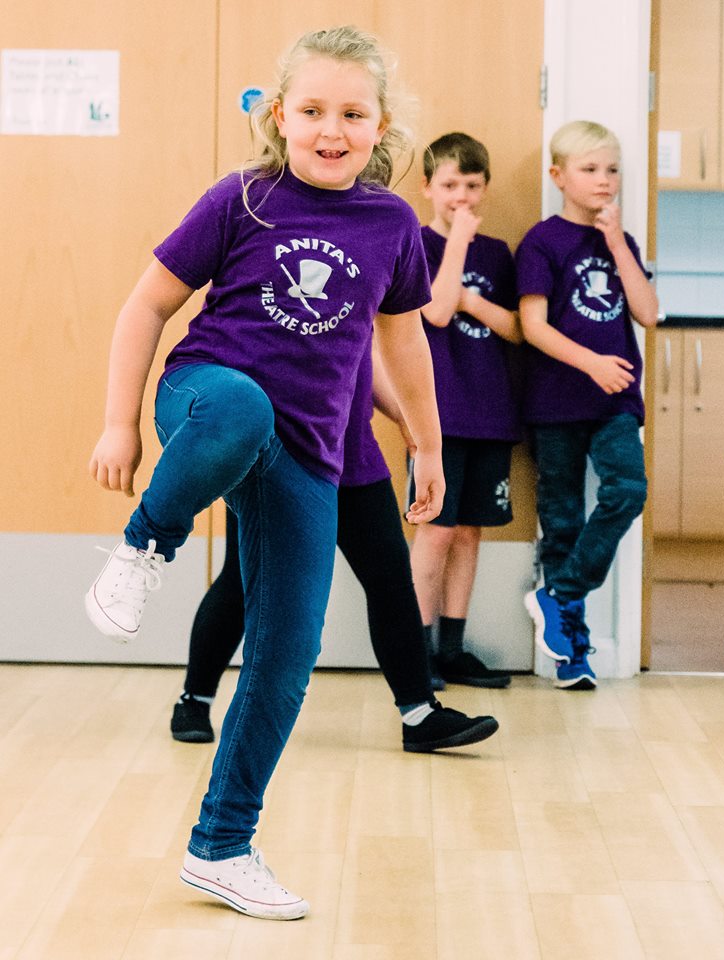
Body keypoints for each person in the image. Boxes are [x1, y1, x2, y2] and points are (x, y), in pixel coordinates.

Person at [84, 25, 445, 922]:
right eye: (314, 110)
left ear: (380, 125)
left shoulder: (392, 225)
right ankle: (141, 550)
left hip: (311, 452)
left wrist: (429, 446)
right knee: (241, 407)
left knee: (286, 657)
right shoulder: (241, 199)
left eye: (353, 114)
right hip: (205, 400)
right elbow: (146, 305)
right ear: (280, 116)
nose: (333, 129)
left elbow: (403, 345)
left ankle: (222, 847)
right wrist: (119, 424)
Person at [171, 340, 499, 753]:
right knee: (240, 582)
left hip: (352, 455)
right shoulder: (254, 278)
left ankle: (420, 715)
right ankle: (194, 700)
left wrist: (406, 415)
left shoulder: (364, 276)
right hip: (274, 458)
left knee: (391, 582)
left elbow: (369, 352)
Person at [516, 120, 657, 690]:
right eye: (591, 169)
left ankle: (559, 595)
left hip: (615, 403)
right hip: (555, 403)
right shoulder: (541, 241)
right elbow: (532, 327)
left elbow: (648, 313)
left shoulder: (620, 242)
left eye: (613, 169)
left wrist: (619, 242)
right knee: (563, 523)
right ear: (559, 177)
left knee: (628, 490)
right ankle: (571, 654)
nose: (605, 180)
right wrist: (592, 363)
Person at [408, 132, 522, 688]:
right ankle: (417, 651)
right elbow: (436, 311)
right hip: (438, 418)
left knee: (470, 532)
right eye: (449, 185)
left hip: (491, 412)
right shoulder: (418, 244)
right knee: (435, 532)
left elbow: (518, 329)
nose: (460, 197)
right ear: (427, 187)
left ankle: (452, 648)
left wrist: (478, 300)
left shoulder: (499, 254)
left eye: (471, 186)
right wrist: (457, 242)